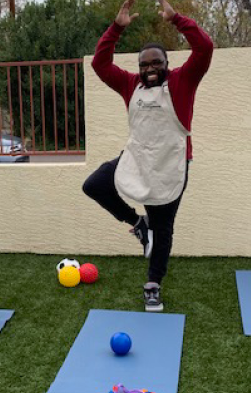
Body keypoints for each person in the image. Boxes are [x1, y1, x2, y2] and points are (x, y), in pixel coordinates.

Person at [83, 0, 213, 312]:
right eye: (144, 64)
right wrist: (116, 28)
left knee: (164, 225)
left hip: (171, 164)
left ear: (166, 64)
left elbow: (205, 48)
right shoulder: (130, 84)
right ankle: (138, 224)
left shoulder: (184, 80)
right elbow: (100, 65)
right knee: (95, 184)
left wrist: (177, 20)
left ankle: (153, 285)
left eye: (155, 63)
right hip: (137, 157)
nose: (149, 69)